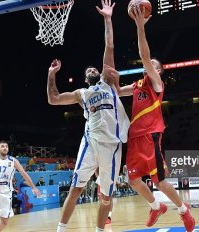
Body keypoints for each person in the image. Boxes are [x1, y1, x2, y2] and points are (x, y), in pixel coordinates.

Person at [49, 1, 129, 232]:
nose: (93, 70)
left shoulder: (109, 83)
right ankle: (61, 229)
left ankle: (100, 230)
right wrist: (51, 74)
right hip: (91, 142)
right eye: (89, 71)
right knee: (76, 189)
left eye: (95, 69)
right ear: (86, 79)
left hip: (113, 146)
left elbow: (110, 46)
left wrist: (107, 18)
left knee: (106, 196)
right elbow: (53, 99)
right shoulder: (81, 93)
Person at [116, 6, 195, 231]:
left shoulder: (157, 85)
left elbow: (144, 55)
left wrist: (140, 26)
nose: (150, 66)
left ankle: (183, 210)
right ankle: (155, 206)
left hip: (151, 136)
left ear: (158, 71)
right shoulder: (137, 85)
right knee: (133, 180)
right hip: (134, 139)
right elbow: (117, 92)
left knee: (159, 182)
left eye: (154, 66)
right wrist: (110, 78)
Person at [0, 141, 40, 232]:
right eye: (2, 146)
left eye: (6, 146)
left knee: (5, 222)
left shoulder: (13, 161)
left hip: (7, 194)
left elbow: (24, 173)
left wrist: (33, 187)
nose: (5, 148)